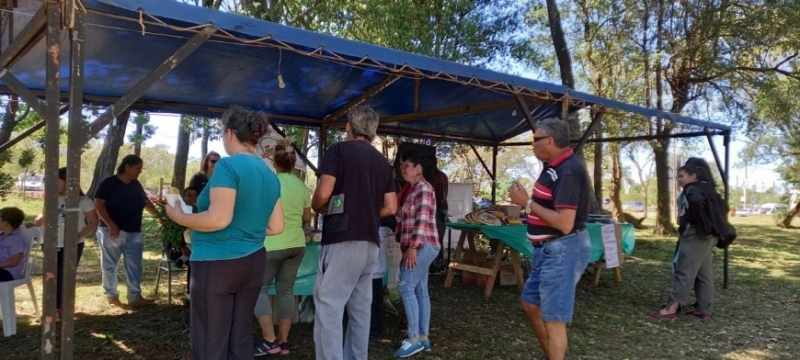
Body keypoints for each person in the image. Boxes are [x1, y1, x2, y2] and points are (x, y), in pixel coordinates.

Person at [166, 105, 284, 360]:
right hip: (253, 262)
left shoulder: (228, 167)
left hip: (217, 263)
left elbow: (219, 218)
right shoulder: (269, 174)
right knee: (239, 339)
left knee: (210, 341)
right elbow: (276, 226)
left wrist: (180, 216)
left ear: (230, 133)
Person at [311, 105, 397, 360]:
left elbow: (324, 194)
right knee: (360, 310)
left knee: (330, 306)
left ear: (348, 127)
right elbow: (391, 207)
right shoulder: (383, 163)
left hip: (342, 238)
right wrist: (367, 212)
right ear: (373, 131)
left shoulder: (338, 151)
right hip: (370, 242)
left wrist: (316, 205)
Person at [508, 118, 592, 360]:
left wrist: (527, 204)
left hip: (564, 248)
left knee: (553, 319)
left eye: (535, 139)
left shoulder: (568, 171)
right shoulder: (552, 167)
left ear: (549, 141)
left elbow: (565, 223)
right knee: (530, 304)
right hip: (547, 250)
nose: (532, 145)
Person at [254, 138, 310, 357]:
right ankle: (283, 342)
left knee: (259, 290)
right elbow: (307, 218)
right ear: (293, 163)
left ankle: (269, 340)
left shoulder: (268, 182)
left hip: (271, 244)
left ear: (274, 163)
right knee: (286, 291)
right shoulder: (302, 186)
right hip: (297, 244)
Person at [650, 164, 728, 319]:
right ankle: (704, 308)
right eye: (678, 177)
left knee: (683, 272)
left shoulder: (692, 188)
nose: (679, 180)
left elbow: (696, 202)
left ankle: (671, 308)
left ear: (694, 176)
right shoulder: (709, 189)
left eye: (681, 176)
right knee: (703, 274)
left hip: (696, 235)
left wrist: (691, 220)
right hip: (709, 235)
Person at [94, 155, 163, 308]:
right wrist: (111, 224)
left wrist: (159, 217)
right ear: (127, 167)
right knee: (110, 265)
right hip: (112, 231)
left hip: (134, 231)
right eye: (137, 168)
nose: (139, 172)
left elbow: (146, 202)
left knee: (135, 265)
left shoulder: (136, 185)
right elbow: (98, 204)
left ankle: (135, 296)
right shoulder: (109, 183)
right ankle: (112, 296)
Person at [29, 167, 98, 318]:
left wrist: (78, 236)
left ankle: (63, 308)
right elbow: (44, 215)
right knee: (51, 275)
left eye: (57, 181)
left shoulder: (84, 201)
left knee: (65, 275)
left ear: (68, 182)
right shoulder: (52, 198)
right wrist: (35, 224)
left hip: (73, 245)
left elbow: (93, 222)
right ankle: (51, 308)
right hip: (49, 243)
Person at [394, 154, 441, 357]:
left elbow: (421, 220)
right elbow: (403, 217)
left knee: (405, 286)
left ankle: (413, 338)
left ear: (418, 168)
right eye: (401, 166)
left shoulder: (423, 188)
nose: (403, 169)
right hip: (424, 244)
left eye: (407, 166)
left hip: (422, 244)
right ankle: (423, 337)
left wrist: (412, 247)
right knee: (420, 289)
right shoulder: (413, 190)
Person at [370, 215, 395, 340]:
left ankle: (374, 329)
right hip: (372, 268)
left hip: (374, 270)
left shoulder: (384, 215)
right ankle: (373, 329)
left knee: (373, 301)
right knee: (372, 301)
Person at [430, 164, 449, 273]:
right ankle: (439, 265)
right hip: (443, 208)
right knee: (439, 238)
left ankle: (435, 265)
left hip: (436, 209)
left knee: (434, 238)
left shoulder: (433, 176)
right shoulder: (443, 175)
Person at [0, 207, 27, 282]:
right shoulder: (2, 236)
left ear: (5, 223)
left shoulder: (16, 240)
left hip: (9, 271)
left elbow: (14, 262)